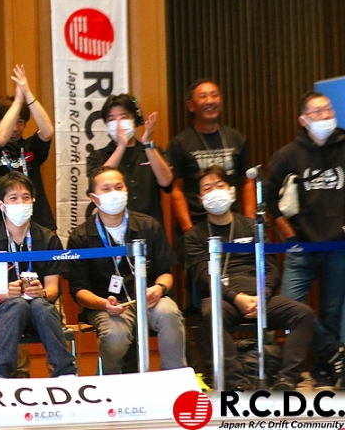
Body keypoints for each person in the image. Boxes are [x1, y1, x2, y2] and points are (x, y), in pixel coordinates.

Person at [186, 165, 314, 391]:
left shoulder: (251, 226)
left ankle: (287, 378)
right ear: (200, 198)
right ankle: (237, 383)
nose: (215, 191)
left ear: (231, 191)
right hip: (223, 299)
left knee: (303, 314)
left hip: (260, 296)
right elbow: (204, 276)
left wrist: (262, 296)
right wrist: (237, 298)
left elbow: (271, 268)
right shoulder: (194, 236)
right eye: (207, 188)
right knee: (211, 314)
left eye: (220, 185)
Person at [65, 166, 186, 374]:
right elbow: (78, 290)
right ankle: (108, 382)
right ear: (93, 198)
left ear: (127, 191)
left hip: (149, 300)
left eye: (118, 187)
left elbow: (165, 272)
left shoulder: (149, 225)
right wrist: (103, 303)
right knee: (115, 335)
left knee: (170, 314)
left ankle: (174, 378)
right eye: (106, 189)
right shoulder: (80, 236)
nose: (114, 193)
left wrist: (159, 288)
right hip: (106, 306)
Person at [264, 91, 345, 390]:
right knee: (291, 306)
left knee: (332, 311)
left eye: (328, 110)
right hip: (300, 246)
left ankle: (325, 370)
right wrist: (288, 233)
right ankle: (335, 352)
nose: (325, 116)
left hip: (338, 245)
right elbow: (270, 200)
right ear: (303, 120)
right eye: (317, 112)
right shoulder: (287, 154)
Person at [0, 173, 77, 379]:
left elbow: (53, 289)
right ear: (1, 205)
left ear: (33, 201)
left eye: (26, 197)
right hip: (0, 311)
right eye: (13, 198)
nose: (21, 203)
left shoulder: (48, 238)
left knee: (39, 305)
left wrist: (42, 292)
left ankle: (65, 373)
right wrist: (5, 294)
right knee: (17, 305)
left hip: (40, 311)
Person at [167, 79, 255, 235]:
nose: (210, 101)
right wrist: (189, 229)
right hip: (197, 226)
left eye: (214, 95)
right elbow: (176, 189)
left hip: (232, 224)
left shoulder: (236, 138)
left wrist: (249, 222)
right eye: (203, 96)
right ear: (191, 106)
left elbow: (247, 181)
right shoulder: (179, 143)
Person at [0, 65, 56, 231]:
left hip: (38, 222)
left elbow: (48, 131)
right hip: (2, 226)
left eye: (20, 122)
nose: (15, 128)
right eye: (10, 122)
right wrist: (17, 103)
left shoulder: (30, 146)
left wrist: (27, 94)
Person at [86, 93, 172, 225]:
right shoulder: (97, 156)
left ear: (135, 121)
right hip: (113, 225)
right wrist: (121, 146)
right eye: (112, 119)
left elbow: (166, 182)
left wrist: (148, 144)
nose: (118, 123)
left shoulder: (153, 152)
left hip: (150, 227)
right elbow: (98, 181)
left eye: (124, 117)